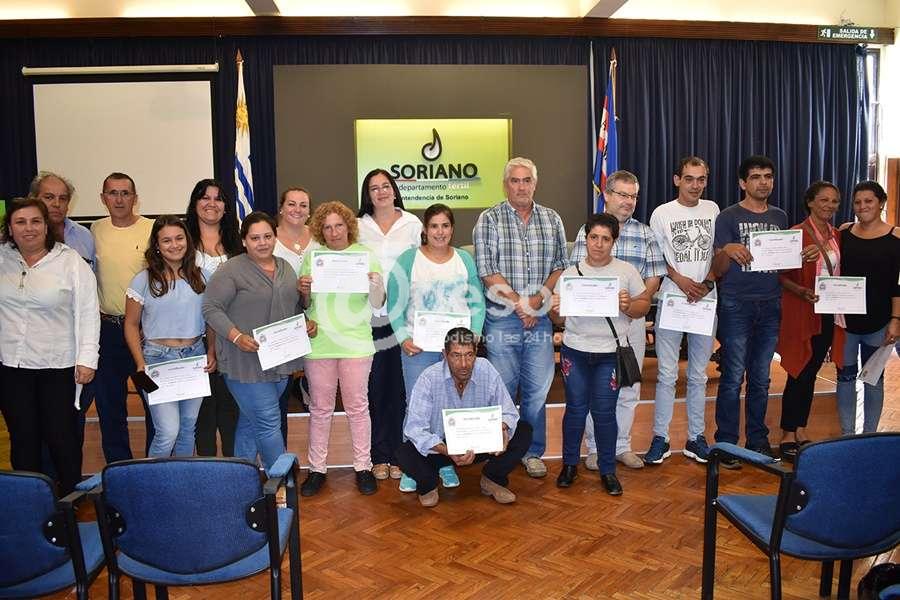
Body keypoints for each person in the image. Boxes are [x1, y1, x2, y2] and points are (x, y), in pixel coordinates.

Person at [710, 156, 818, 467]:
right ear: (743, 183)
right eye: (756, 177)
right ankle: (727, 444)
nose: (763, 182)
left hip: (771, 304)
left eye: (768, 176)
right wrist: (727, 250)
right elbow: (717, 269)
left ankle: (757, 440)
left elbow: (780, 265)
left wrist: (801, 255)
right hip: (736, 303)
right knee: (733, 377)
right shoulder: (728, 217)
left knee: (761, 378)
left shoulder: (779, 216)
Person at [473, 157, 567, 478]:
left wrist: (536, 301)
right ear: (505, 185)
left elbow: (560, 265)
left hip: (539, 318)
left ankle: (531, 451)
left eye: (527, 180)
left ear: (535, 184)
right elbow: (487, 270)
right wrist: (519, 304)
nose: (521, 186)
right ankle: (499, 451)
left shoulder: (552, 219)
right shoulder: (489, 219)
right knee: (502, 388)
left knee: (537, 389)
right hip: (502, 318)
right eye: (515, 180)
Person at [202, 211, 316, 471]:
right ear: (244, 241)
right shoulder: (230, 270)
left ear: (275, 237)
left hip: (279, 361)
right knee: (268, 421)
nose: (262, 242)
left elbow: (293, 306)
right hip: (244, 362)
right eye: (255, 238)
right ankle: (281, 481)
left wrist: (306, 322)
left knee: (249, 422)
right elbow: (210, 308)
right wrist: (236, 336)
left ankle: (241, 478)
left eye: (267, 236)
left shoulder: (285, 267)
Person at [0, 198, 99, 495]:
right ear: (10, 228)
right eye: (20, 222)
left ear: (46, 226)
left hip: (58, 367)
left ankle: (70, 503)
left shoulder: (70, 262)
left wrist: (87, 359)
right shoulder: (2, 259)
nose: (28, 228)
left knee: (62, 439)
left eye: (35, 221)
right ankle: (31, 504)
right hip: (12, 366)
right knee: (22, 439)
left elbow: (88, 312)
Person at [386, 203, 486, 492]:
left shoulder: (464, 259)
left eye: (445, 226)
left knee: (450, 408)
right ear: (425, 230)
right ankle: (413, 467)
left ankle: (444, 464)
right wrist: (402, 337)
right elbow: (395, 301)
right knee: (416, 408)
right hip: (418, 347)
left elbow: (477, 302)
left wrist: (474, 335)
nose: (440, 232)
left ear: (452, 229)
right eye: (434, 226)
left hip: (457, 351)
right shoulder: (409, 259)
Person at [571, 170, 666, 470]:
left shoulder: (645, 233)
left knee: (628, 385)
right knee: (593, 390)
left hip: (631, 323)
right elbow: (576, 273)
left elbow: (654, 277)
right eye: (623, 195)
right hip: (594, 324)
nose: (628, 201)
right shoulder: (588, 231)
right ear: (607, 195)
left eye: (633, 196)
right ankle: (596, 448)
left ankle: (622, 446)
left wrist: (635, 304)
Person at [551, 214, 651, 495]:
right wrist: (556, 309)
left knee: (605, 413)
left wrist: (628, 304)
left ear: (614, 242)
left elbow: (643, 306)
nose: (598, 244)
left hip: (609, 353)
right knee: (575, 410)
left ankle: (608, 470)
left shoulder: (626, 271)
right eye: (593, 237)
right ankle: (569, 465)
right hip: (575, 352)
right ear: (585, 239)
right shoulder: (570, 274)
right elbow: (557, 319)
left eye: (605, 239)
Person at [299, 201, 385, 496]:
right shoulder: (313, 257)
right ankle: (317, 469)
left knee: (358, 407)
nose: (334, 232)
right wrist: (304, 291)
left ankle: (363, 467)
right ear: (320, 231)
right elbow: (305, 305)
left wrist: (375, 284)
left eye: (338, 225)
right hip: (320, 344)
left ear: (348, 226)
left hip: (356, 344)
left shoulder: (366, 256)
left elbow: (377, 303)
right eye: (327, 227)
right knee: (320, 409)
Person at [395, 327, 532, 507]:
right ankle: (428, 485)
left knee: (523, 431)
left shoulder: (486, 369)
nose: (464, 364)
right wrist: (448, 451)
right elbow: (415, 429)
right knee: (403, 453)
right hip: (442, 447)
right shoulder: (429, 378)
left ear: (476, 352)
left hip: (479, 443)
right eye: (456, 355)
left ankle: (492, 480)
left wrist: (503, 429)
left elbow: (509, 412)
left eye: (469, 355)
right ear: (445, 355)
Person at [645, 157, 719, 465]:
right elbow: (656, 255)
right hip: (672, 300)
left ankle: (695, 438)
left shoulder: (713, 210)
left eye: (701, 179)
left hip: (705, 302)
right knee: (666, 374)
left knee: (698, 375)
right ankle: (660, 438)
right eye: (689, 178)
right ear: (677, 180)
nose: (695, 185)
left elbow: (717, 252)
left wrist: (707, 282)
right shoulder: (661, 213)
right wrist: (680, 279)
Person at [124, 216, 217, 457]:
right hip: (155, 361)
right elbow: (131, 325)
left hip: (194, 358)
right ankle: (152, 479)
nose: (174, 245)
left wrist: (211, 351)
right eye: (166, 240)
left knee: (188, 428)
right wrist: (140, 363)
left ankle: (181, 477)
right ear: (156, 245)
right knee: (167, 431)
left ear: (188, 240)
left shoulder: (204, 277)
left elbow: (212, 320)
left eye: (179, 238)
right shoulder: (142, 280)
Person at [357, 169, 422, 481]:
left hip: (404, 318)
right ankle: (378, 455)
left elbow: (421, 265)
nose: (381, 192)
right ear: (367, 194)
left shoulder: (413, 224)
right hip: (368, 318)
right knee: (375, 388)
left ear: (394, 190)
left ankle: (400, 455)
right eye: (374, 188)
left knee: (401, 388)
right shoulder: (357, 226)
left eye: (386, 186)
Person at [775, 181, 845, 460]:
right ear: (810, 202)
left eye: (834, 201)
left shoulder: (837, 235)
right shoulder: (796, 234)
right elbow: (780, 275)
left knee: (812, 371)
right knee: (798, 370)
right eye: (824, 200)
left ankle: (801, 428)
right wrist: (800, 291)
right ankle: (787, 433)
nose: (829, 205)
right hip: (802, 311)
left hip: (828, 313)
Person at [90, 172, 154, 463]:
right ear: (103, 198)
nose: (119, 199)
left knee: (153, 402)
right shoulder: (95, 230)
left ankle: (153, 467)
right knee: (110, 407)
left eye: (125, 193)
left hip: (145, 333)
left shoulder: (151, 229)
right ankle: (120, 469)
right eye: (112, 193)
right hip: (108, 332)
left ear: (135, 198)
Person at [836, 181, 900, 435]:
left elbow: (898, 285)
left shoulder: (896, 237)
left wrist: (895, 319)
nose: (862, 206)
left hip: (880, 322)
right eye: (858, 202)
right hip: (846, 323)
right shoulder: (843, 232)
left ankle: (869, 436)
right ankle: (847, 435)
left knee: (873, 379)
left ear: (881, 203)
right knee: (845, 378)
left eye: (869, 201)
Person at [185, 178, 242, 457]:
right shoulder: (181, 242)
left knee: (231, 410)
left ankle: (234, 469)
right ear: (195, 203)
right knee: (202, 413)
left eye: (218, 198)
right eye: (205, 197)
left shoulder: (238, 245)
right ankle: (207, 471)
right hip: (191, 339)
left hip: (230, 337)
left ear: (226, 206)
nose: (211, 203)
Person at [29, 171, 95, 267]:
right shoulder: (25, 236)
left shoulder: (84, 235)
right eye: (49, 197)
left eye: (63, 198)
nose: (57, 204)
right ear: (33, 200)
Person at [274, 187, 318, 276]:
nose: (297, 210)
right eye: (291, 204)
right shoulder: (269, 237)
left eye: (303, 205)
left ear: (309, 211)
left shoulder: (319, 236)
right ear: (281, 209)